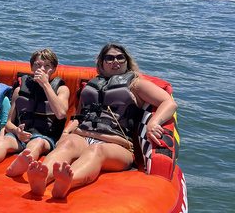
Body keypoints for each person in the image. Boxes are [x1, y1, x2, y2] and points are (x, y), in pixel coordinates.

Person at [27, 43, 178, 198]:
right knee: (67, 144)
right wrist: (66, 132)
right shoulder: (93, 84)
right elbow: (79, 116)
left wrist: (154, 122)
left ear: (127, 61)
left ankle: (68, 182)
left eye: (120, 58)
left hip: (117, 145)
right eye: (110, 58)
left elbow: (168, 102)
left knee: (96, 150)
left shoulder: (135, 84)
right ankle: (42, 178)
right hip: (82, 136)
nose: (116, 61)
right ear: (101, 62)